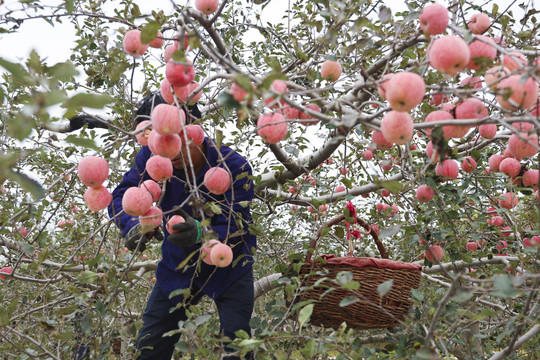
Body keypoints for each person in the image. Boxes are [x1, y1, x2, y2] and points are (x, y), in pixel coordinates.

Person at [108, 92, 257, 360]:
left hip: (230, 269)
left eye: (175, 139)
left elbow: (239, 220)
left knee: (237, 350)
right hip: (178, 267)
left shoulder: (233, 165)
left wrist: (204, 233)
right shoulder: (150, 160)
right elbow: (122, 195)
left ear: (195, 131)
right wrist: (132, 223)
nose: (168, 150)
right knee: (149, 349)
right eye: (157, 142)